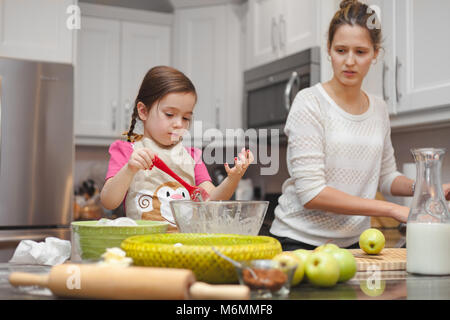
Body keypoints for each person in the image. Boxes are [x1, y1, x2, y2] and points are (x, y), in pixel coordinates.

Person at [269, 0, 450, 250]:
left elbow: (386, 177)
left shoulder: (379, 109)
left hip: (357, 244)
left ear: (375, 54)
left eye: (361, 52)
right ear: (329, 50)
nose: (350, 61)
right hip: (299, 242)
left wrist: (428, 189)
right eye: (341, 50)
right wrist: (392, 209)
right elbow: (312, 194)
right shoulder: (309, 103)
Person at [100, 66, 253, 231]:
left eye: (186, 117)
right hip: (143, 247)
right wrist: (129, 169)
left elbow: (209, 203)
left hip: (184, 248)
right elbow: (109, 201)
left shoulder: (192, 157)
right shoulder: (127, 151)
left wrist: (233, 178)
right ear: (143, 111)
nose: (179, 124)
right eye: (169, 114)